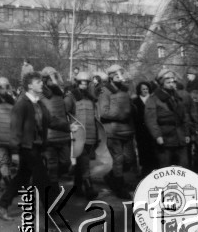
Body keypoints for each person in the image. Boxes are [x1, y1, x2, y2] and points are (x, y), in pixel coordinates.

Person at [0, 72, 54, 221]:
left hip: (37, 146)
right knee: (43, 179)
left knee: (22, 178)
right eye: (38, 82)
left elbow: (50, 121)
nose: (41, 84)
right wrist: (15, 150)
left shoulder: (39, 103)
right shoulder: (21, 104)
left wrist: (68, 127)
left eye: (41, 81)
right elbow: (15, 128)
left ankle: (2, 205)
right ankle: (53, 214)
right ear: (30, 85)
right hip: (27, 147)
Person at [98, 64, 134, 200]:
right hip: (113, 131)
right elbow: (103, 112)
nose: (121, 76)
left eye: (122, 73)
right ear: (112, 76)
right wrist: (121, 114)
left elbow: (130, 106)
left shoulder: (125, 89)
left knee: (129, 159)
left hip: (127, 130)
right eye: (118, 74)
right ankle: (119, 186)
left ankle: (111, 176)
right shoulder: (105, 91)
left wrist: (132, 109)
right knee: (118, 160)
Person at [145, 69, 190, 169]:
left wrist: (186, 133)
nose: (171, 84)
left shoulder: (178, 97)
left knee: (183, 167)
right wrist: (157, 136)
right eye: (168, 82)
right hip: (165, 138)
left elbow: (184, 116)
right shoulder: (153, 99)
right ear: (161, 83)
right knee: (165, 168)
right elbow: (151, 120)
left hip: (180, 138)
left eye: (173, 81)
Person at [65, 71, 99, 200]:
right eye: (81, 82)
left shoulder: (91, 98)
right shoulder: (71, 97)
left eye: (86, 82)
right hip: (78, 135)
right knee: (84, 163)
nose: (83, 85)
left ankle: (77, 187)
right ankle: (89, 187)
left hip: (91, 135)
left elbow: (96, 117)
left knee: (82, 162)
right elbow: (63, 113)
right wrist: (69, 126)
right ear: (77, 83)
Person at [40, 67, 73, 197]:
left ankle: (50, 181)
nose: (55, 81)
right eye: (51, 78)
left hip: (63, 135)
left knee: (66, 163)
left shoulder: (60, 94)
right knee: (52, 165)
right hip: (49, 136)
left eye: (55, 77)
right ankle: (53, 190)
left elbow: (65, 110)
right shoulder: (41, 95)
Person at [132, 82, 157, 178]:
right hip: (140, 130)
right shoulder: (135, 101)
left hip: (152, 129)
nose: (145, 91)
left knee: (153, 150)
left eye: (146, 89)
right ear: (139, 90)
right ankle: (145, 170)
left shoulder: (153, 100)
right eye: (143, 89)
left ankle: (153, 169)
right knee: (142, 150)